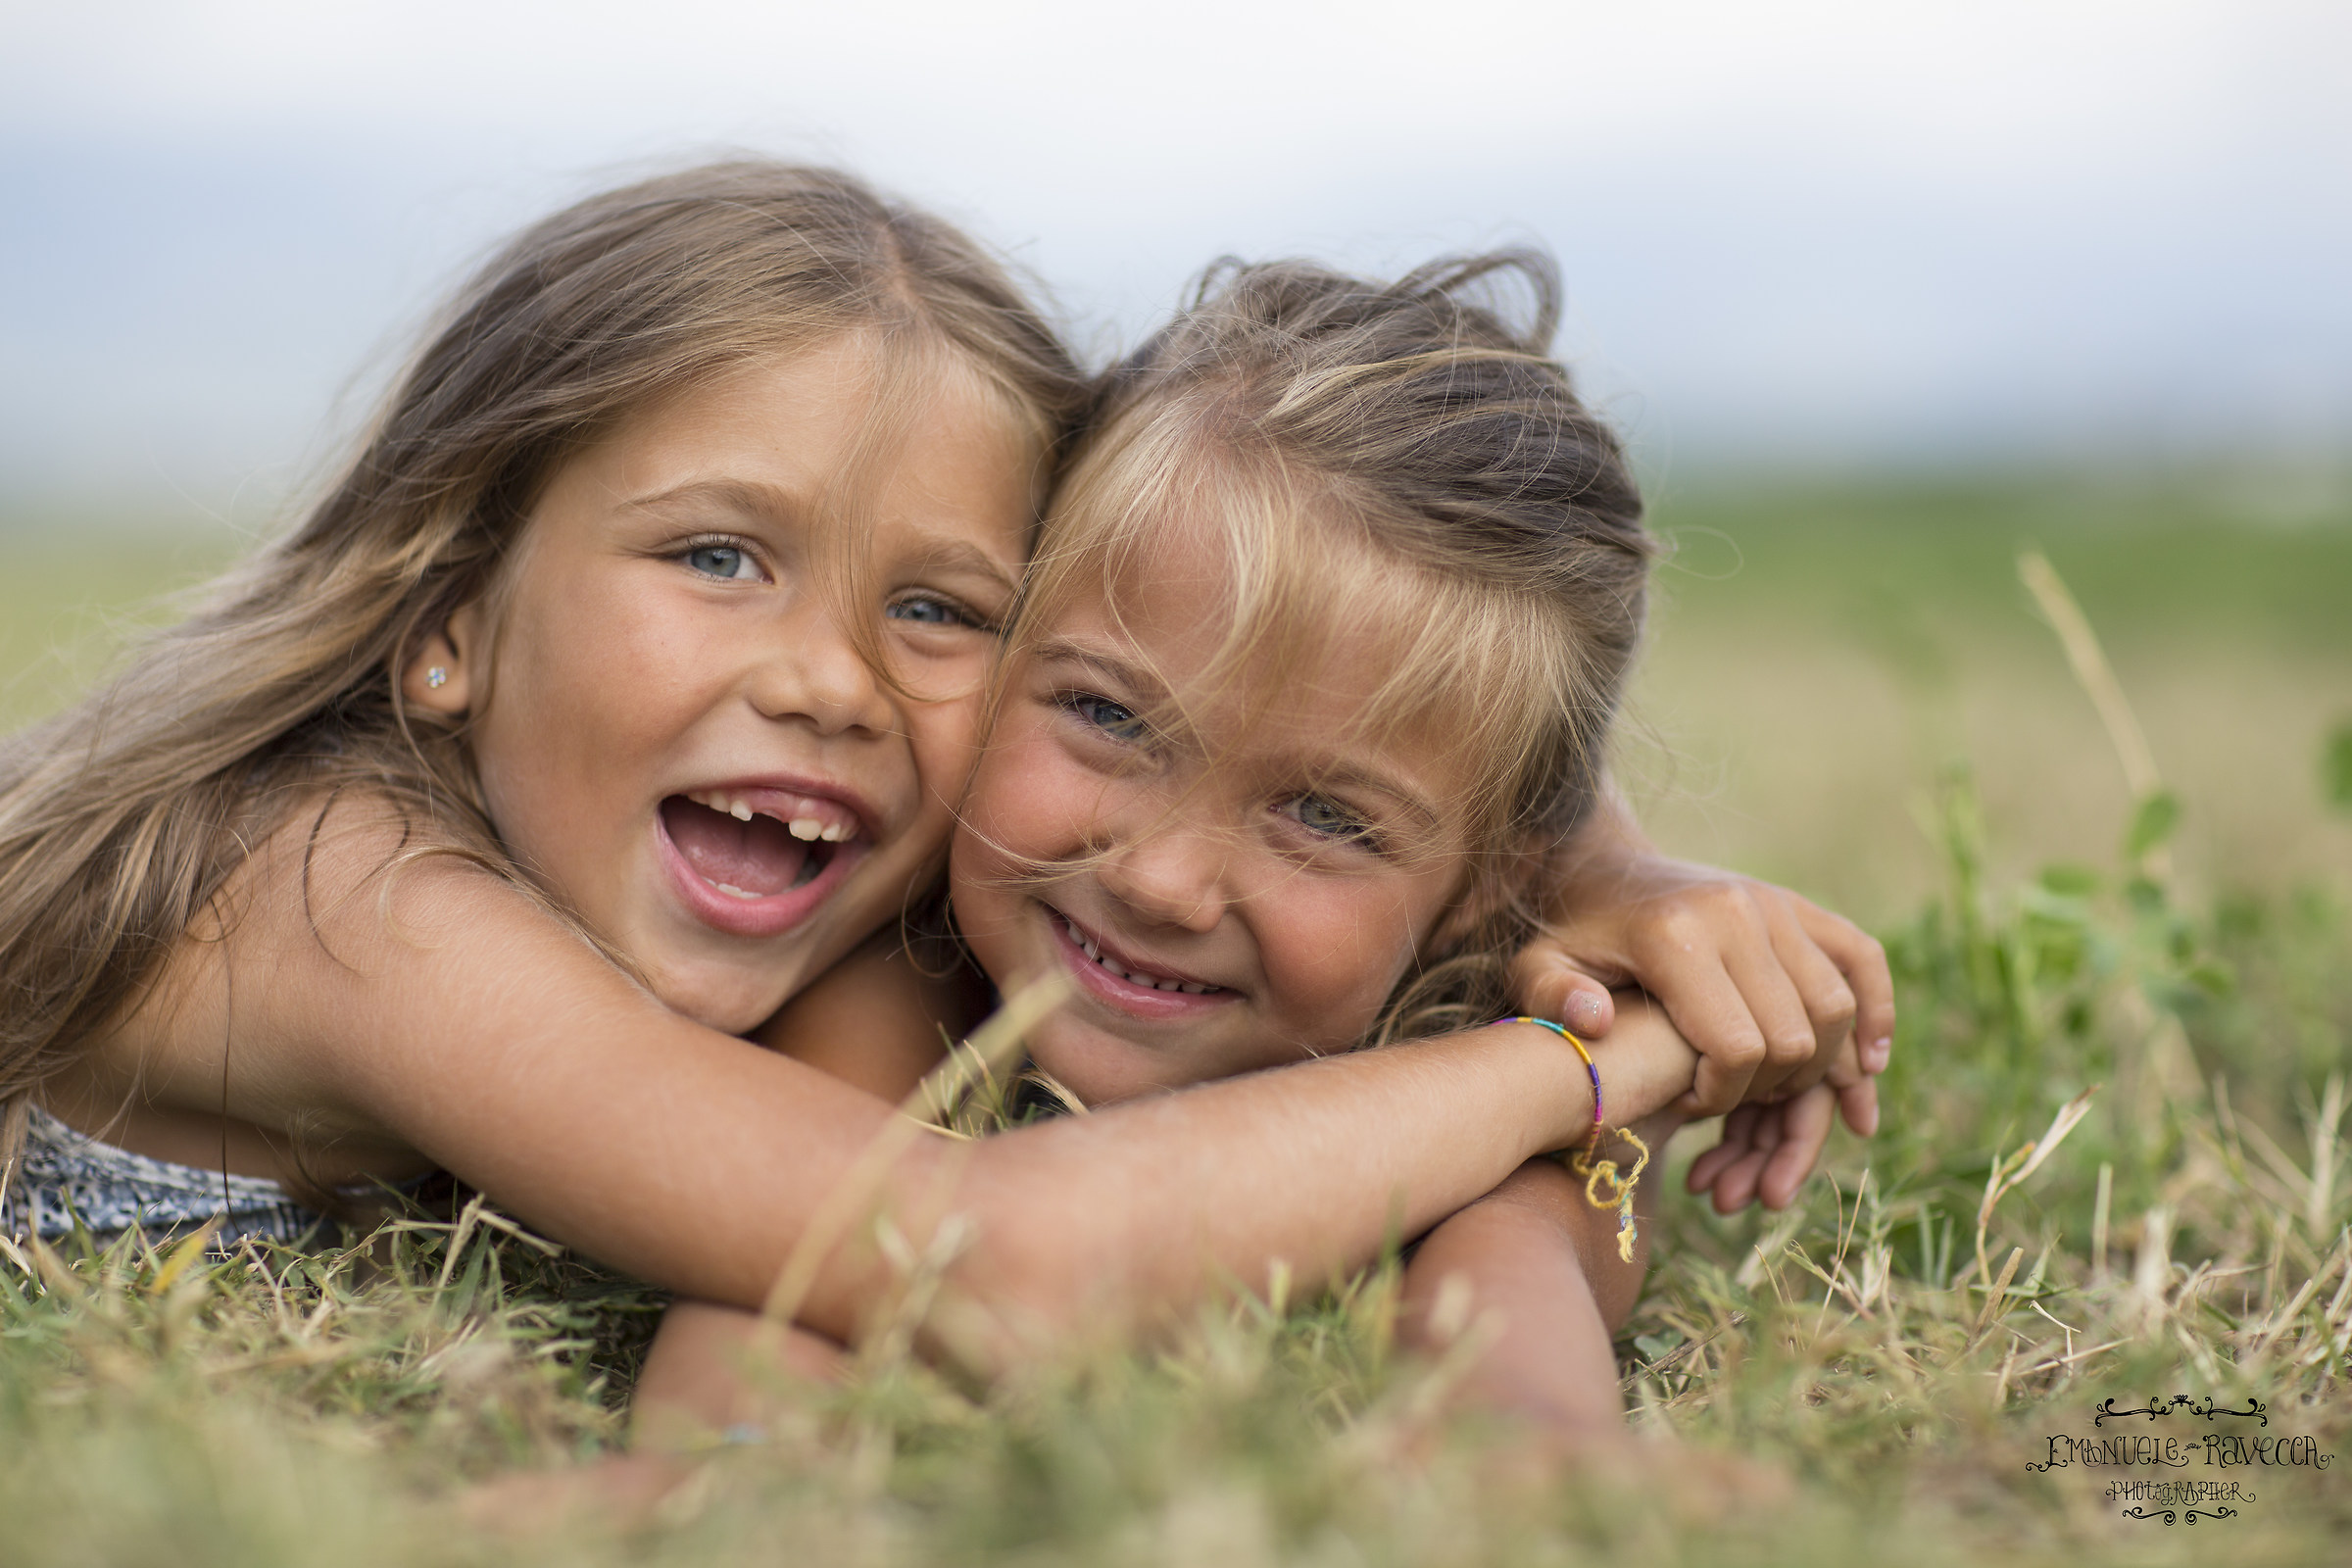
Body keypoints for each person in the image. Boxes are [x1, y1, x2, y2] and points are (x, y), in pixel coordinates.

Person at [0, 163, 1886, 1383]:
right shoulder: (335, 893)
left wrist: (1601, 873)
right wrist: (1599, 1057)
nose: (828, 680)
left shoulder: (868, 880)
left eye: (937, 608)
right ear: (448, 615)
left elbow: (1298, 705)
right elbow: (986, 1264)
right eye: (718, 555)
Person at [636, 251, 1879, 1448]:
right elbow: (781, 1310)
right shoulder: (911, 953)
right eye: (1109, 716)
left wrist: (1527, 1440)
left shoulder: (1509, 1002)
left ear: (1489, 883)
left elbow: (1529, 1267)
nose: (1158, 880)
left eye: (1326, 817)